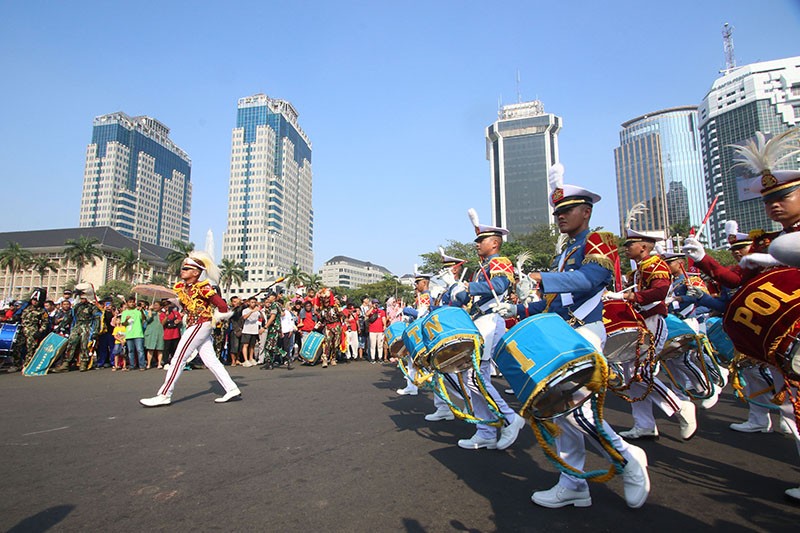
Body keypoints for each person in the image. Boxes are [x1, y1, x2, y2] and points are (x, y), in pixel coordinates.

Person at [493, 164, 649, 508]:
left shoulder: (598, 241)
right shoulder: (564, 252)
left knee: (580, 413)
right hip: (563, 331)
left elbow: (590, 281)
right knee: (557, 412)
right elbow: (555, 302)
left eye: (567, 210)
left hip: (586, 333)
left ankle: (630, 460)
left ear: (586, 211)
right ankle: (574, 483)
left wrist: (542, 277)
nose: (560, 216)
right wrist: (519, 311)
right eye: (557, 211)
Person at [608, 229, 697, 441]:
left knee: (641, 373)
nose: (626, 248)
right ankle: (644, 424)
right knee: (632, 376)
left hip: (652, 322)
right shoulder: (640, 268)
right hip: (642, 322)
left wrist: (632, 296)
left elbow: (660, 291)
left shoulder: (655, 264)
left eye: (630, 244)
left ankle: (681, 407)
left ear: (644, 247)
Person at [447, 209, 525, 451]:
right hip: (480, 321)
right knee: (472, 378)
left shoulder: (499, 262)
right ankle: (486, 431)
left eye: (481, 240)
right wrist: (456, 291)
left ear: (494, 242)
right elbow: (467, 297)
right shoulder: (482, 268)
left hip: (491, 321)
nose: (477, 244)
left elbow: (500, 284)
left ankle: (511, 418)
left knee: (477, 377)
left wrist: (469, 287)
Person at [140, 251, 240, 407]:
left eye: (186, 268)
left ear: (195, 272)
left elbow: (222, 305)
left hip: (200, 324)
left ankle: (165, 394)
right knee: (211, 361)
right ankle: (231, 388)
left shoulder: (203, 287)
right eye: (183, 268)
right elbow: (185, 307)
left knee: (178, 359)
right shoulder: (184, 288)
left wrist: (216, 316)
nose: (182, 271)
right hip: (196, 325)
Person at [53, 285, 102, 372]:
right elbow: (68, 317)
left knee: (84, 345)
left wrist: (95, 331)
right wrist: (61, 326)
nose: (82, 299)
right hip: (77, 326)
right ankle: (66, 364)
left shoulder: (92, 307)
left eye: (84, 297)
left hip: (87, 327)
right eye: (81, 297)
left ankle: (83, 363)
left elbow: (97, 319)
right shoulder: (76, 307)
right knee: (71, 343)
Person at [121, 296, 146, 370]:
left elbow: (144, 319)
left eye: (133, 302)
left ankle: (142, 365)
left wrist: (141, 311)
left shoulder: (138, 311)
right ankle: (132, 365)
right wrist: (126, 319)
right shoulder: (125, 312)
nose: (132, 303)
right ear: (127, 303)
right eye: (130, 302)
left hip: (138, 333)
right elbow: (123, 324)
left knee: (140, 350)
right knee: (130, 351)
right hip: (129, 334)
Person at [240, 297, 261, 367]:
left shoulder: (257, 311)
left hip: (254, 330)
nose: (253, 304)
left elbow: (261, 318)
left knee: (252, 345)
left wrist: (259, 311)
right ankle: (246, 360)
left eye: (254, 302)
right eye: (252, 302)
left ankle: (251, 358)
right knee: (245, 345)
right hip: (247, 330)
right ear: (248, 303)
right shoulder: (245, 310)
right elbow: (244, 317)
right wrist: (252, 311)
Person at [144, 300, 165, 369]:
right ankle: (149, 364)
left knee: (160, 349)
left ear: (161, 306)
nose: (155, 306)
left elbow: (164, 323)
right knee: (150, 349)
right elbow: (148, 319)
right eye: (154, 305)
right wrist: (150, 310)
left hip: (160, 332)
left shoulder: (163, 314)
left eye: (157, 305)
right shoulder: (151, 313)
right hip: (151, 333)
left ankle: (159, 363)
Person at [160, 300, 182, 366]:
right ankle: (166, 362)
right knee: (166, 349)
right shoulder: (162, 314)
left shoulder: (176, 313)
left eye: (168, 306)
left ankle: (174, 361)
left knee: (175, 349)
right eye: (165, 306)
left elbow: (179, 320)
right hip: (167, 334)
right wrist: (166, 316)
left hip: (175, 334)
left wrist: (178, 321)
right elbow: (162, 323)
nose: (167, 307)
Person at [366, 299, 387, 364]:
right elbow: (367, 314)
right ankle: (372, 358)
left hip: (380, 330)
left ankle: (380, 357)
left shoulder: (381, 311)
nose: (376, 304)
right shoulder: (370, 311)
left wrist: (384, 325)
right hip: (372, 330)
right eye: (375, 303)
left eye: (377, 303)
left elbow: (384, 319)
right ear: (372, 304)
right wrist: (372, 308)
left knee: (380, 345)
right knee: (372, 345)